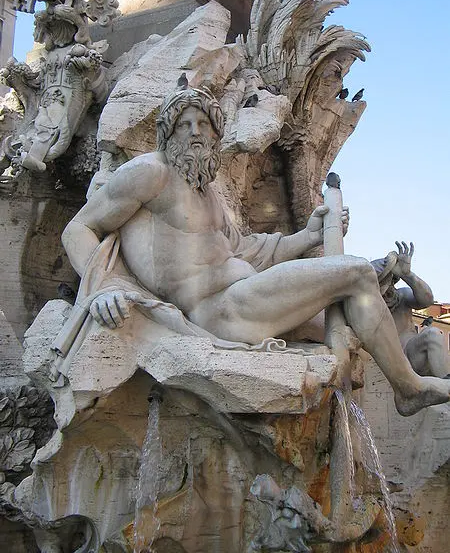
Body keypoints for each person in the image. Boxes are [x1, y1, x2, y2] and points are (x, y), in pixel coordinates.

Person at [61, 86, 450, 416]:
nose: (196, 133)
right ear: (168, 133)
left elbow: (247, 251)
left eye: (204, 125)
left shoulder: (207, 193)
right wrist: (104, 286)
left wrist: (309, 236)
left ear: (216, 135)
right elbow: (78, 228)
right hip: (220, 311)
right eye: (185, 125)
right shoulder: (150, 173)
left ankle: (416, 365)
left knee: (353, 314)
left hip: (247, 297)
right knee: (357, 273)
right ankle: (409, 389)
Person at [372, 242, 450, 378]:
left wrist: (407, 275)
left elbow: (427, 300)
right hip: (385, 361)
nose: (387, 287)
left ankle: (446, 388)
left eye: (389, 281)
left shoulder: (401, 296)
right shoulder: (365, 306)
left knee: (433, 334)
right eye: (382, 282)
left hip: (410, 353)